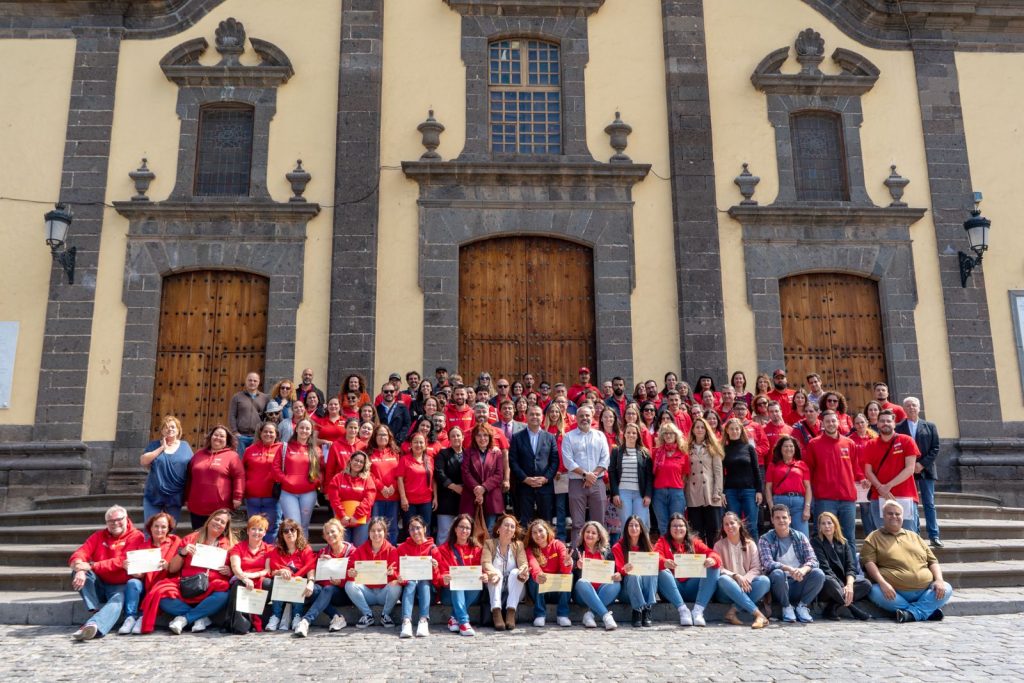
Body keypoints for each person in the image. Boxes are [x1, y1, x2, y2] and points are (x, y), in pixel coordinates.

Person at [862, 499, 952, 622]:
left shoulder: (914, 536)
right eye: (890, 513)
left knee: (947, 588)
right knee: (874, 591)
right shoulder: (873, 537)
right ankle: (926, 611)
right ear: (883, 516)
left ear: (902, 517)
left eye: (897, 514)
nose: (894, 516)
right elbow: (869, 563)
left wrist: (939, 580)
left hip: (925, 590)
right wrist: (882, 583)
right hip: (894, 592)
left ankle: (910, 613)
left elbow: (933, 561)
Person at [148, 509, 235, 635]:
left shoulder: (229, 546)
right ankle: (200, 617)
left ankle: (184, 619)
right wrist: (183, 553)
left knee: (223, 595)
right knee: (161, 596)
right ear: (209, 520)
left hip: (211, 588)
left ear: (225, 528)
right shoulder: (191, 538)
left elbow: (235, 571)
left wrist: (230, 571)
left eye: (222, 522)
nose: (218, 523)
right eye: (216, 519)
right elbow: (172, 568)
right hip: (187, 585)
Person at [68, 505, 145, 640]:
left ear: (127, 519)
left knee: (119, 599)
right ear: (106, 523)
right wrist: (79, 568)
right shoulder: (98, 536)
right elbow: (80, 553)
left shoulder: (137, 536)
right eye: (111, 521)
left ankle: (93, 625)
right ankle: (95, 609)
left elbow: (123, 560)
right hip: (101, 584)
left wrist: (93, 565)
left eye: (119, 519)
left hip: (122, 586)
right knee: (78, 572)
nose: (115, 523)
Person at [804, 410, 862, 554]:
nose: (831, 424)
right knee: (823, 536)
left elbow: (856, 467)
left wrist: (862, 478)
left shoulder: (849, 443)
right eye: (828, 421)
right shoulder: (814, 444)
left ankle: (851, 571)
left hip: (847, 498)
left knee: (849, 537)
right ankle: (827, 570)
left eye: (833, 421)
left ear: (838, 422)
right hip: (824, 499)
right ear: (822, 424)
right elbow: (808, 471)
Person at [758, 504, 825, 623]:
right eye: (777, 518)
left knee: (818, 573)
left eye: (784, 517)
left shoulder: (800, 536)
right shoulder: (765, 539)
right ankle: (786, 607)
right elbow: (767, 563)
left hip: (798, 581)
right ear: (772, 520)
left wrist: (802, 570)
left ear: (789, 519)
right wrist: (788, 569)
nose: (781, 520)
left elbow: (813, 560)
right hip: (779, 585)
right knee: (778, 573)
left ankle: (802, 606)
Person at [655, 513, 721, 627]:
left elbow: (713, 553)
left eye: (681, 525)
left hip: (692, 587)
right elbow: (655, 556)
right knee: (661, 571)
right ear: (669, 528)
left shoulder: (694, 542)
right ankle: (683, 610)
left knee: (714, 567)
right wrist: (664, 562)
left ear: (686, 527)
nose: (678, 529)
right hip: (672, 588)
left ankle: (698, 611)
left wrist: (712, 559)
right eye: (674, 526)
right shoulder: (662, 541)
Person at [120, 512, 181, 635]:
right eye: (156, 526)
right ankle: (130, 618)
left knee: (157, 589)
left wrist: (168, 567)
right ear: (150, 528)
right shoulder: (143, 546)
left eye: (163, 527)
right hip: (146, 585)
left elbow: (180, 567)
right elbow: (141, 574)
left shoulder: (175, 543)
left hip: (166, 585)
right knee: (133, 582)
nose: (159, 530)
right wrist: (132, 570)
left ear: (169, 529)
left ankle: (143, 617)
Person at [863, 410, 921, 532]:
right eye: (882, 421)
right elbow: (868, 471)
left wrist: (888, 486)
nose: (886, 423)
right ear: (877, 424)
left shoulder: (907, 440)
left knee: (908, 537)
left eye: (889, 421)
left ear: (894, 423)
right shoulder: (870, 444)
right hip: (878, 497)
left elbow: (910, 468)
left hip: (905, 496)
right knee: (884, 539)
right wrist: (880, 488)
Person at [561, 404, 610, 546]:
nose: (584, 418)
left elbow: (605, 458)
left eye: (587, 415)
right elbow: (567, 461)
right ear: (576, 418)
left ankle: (600, 552)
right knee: (577, 523)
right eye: (581, 416)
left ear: (592, 416)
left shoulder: (600, 435)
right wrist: (585, 475)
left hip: (597, 482)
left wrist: (592, 475)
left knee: (598, 522)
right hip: (576, 482)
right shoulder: (569, 437)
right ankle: (577, 553)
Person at [897, 397, 943, 547]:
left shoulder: (930, 426)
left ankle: (934, 535)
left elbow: (935, 448)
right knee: (911, 504)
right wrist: (910, 465)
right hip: (907, 471)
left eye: (914, 405)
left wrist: (922, 464)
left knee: (929, 503)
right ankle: (915, 535)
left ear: (919, 407)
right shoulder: (899, 427)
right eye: (908, 406)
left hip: (926, 470)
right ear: (904, 409)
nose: (911, 408)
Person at [713, 511, 769, 628]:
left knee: (765, 581)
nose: (729, 526)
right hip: (726, 591)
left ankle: (733, 611)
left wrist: (746, 579)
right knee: (723, 579)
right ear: (723, 527)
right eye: (726, 524)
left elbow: (756, 568)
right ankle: (759, 615)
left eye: (732, 523)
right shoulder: (718, 545)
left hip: (746, 588)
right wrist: (736, 576)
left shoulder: (750, 544)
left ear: (739, 524)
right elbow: (719, 568)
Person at [300, 518, 356, 634]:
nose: (330, 535)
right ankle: (336, 616)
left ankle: (305, 620)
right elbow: (319, 579)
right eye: (327, 533)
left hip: (344, 592)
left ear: (340, 532)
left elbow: (355, 575)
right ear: (324, 537)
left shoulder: (352, 551)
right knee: (313, 590)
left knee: (328, 588)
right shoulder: (322, 552)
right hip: (326, 591)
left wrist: (339, 579)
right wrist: (321, 565)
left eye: (333, 531)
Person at [812, 511, 871, 621]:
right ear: (819, 527)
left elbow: (850, 567)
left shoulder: (843, 542)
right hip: (828, 585)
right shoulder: (816, 542)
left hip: (843, 583)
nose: (827, 526)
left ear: (835, 525)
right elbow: (825, 569)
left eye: (829, 523)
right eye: (823, 524)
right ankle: (853, 609)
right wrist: (843, 587)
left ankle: (832, 606)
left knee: (866, 584)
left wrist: (849, 585)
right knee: (829, 581)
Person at [434, 513, 486, 636]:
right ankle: (463, 622)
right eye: (461, 527)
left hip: (472, 594)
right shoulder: (443, 549)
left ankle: (454, 618)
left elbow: (481, 570)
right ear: (455, 529)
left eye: (468, 528)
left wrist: (484, 575)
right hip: (449, 593)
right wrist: (443, 579)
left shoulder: (478, 549)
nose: (464, 530)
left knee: (477, 584)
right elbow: (439, 575)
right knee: (457, 583)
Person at [345, 517, 401, 628]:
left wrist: (392, 573)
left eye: (379, 530)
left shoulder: (392, 550)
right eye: (373, 530)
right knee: (349, 585)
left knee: (396, 584)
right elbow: (349, 570)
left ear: (385, 533)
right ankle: (368, 615)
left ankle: (385, 615)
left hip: (384, 593)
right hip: (367, 593)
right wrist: (351, 573)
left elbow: (399, 574)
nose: (376, 533)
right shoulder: (359, 550)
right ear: (369, 533)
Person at [185, 425, 244, 530]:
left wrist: (238, 496)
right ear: (210, 437)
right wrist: (186, 497)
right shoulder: (198, 454)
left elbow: (239, 477)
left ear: (227, 440)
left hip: (220, 508)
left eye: (222, 436)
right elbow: (189, 477)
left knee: (218, 541)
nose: (218, 438)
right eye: (215, 435)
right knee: (198, 538)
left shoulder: (232, 456)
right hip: (197, 506)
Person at [509, 405, 559, 527]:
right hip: (524, 486)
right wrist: (525, 479)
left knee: (546, 521)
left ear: (542, 417)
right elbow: (513, 461)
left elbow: (554, 461)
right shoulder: (517, 437)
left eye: (537, 414)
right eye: (531, 414)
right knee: (524, 521)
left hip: (545, 487)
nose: (535, 417)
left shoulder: (550, 437)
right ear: (526, 416)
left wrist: (545, 478)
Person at [265, 518, 316, 632]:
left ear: (297, 532)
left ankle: (297, 616)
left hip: (298, 586)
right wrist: (280, 571)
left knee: (298, 581)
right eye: (286, 531)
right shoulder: (276, 551)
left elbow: (310, 567)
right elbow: (272, 571)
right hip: (282, 585)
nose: (290, 533)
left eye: (292, 530)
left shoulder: (305, 549)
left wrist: (311, 582)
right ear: (281, 535)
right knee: (278, 580)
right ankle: (276, 616)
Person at [140, 415, 193, 524]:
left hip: (175, 495)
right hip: (154, 494)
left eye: (173, 427)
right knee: (150, 529)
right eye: (166, 427)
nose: (170, 429)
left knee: (170, 530)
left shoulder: (185, 446)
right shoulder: (154, 445)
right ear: (162, 431)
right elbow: (143, 461)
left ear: (178, 430)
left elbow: (192, 467)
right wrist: (162, 448)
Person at [273, 417, 321, 537]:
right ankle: (293, 554)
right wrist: (286, 480)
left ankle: (303, 554)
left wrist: (316, 482)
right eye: (302, 428)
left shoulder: (315, 450)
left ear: (311, 432)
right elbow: (275, 468)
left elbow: (322, 471)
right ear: (296, 429)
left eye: (307, 428)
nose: (304, 430)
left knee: (304, 526)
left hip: (308, 493)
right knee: (294, 525)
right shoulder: (284, 447)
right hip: (288, 493)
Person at [225, 514, 272, 634]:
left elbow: (267, 570)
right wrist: (245, 579)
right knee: (239, 585)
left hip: (260, 579)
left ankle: (261, 620)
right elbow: (236, 567)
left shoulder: (269, 549)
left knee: (268, 583)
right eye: (254, 528)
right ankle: (241, 624)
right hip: (242, 578)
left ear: (265, 533)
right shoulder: (238, 547)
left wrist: (251, 576)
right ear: (248, 530)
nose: (257, 532)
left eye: (260, 529)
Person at [482, 514, 529, 631]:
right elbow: (486, 562)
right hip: (495, 585)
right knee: (496, 571)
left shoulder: (518, 545)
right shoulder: (489, 543)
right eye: (506, 525)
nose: (509, 528)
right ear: (498, 529)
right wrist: (493, 573)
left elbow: (523, 563)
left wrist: (523, 570)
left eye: (512, 526)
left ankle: (511, 612)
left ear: (515, 531)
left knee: (515, 572)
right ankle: (496, 612)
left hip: (515, 588)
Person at [571, 520, 621, 630]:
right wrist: (576, 566)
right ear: (583, 534)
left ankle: (590, 615)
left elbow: (615, 572)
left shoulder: (607, 552)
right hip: (582, 594)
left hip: (603, 591)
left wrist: (617, 575)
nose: (590, 535)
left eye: (593, 533)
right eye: (587, 532)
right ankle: (606, 616)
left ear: (599, 537)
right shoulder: (577, 551)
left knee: (616, 584)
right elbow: (569, 569)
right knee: (581, 582)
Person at [525, 519, 573, 627]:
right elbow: (533, 565)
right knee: (535, 576)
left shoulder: (558, 545)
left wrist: (567, 564)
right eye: (534, 533)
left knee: (569, 575)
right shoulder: (530, 549)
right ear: (531, 536)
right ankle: (540, 614)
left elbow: (566, 570)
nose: (538, 535)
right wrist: (538, 575)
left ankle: (563, 614)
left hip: (556, 590)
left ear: (547, 531)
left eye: (540, 531)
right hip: (539, 590)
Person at [684, 417, 724, 545]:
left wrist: (717, 492)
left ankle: (714, 559)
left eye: (702, 427)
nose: (700, 430)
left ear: (706, 430)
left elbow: (718, 472)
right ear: (693, 430)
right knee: (697, 532)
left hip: (710, 493)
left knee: (714, 531)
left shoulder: (713, 447)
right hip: (693, 492)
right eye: (697, 427)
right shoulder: (686, 448)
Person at [396, 515, 438, 638]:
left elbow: (439, 579)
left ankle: (423, 620)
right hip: (409, 589)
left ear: (424, 529)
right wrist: (399, 577)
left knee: (424, 581)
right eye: (412, 529)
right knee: (410, 582)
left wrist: (435, 568)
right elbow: (397, 571)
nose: (415, 532)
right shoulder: (402, 548)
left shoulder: (433, 549)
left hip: (428, 591)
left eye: (418, 528)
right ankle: (406, 621)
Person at [722, 418, 763, 541]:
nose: (734, 431)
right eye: (731, 429)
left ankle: (754, 557)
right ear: (727, 431)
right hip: (731, 492)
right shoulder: (723, 449)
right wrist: (722, 491)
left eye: (737, 429)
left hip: (749, 491)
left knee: (752, 527)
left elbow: (756, 469)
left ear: (741, 430)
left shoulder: (749, 448)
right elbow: (721, 473)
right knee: (734, 527)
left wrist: (759, 490)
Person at [613, 515, 657, 627]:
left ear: (641, 529)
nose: (634, 528)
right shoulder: (618, 546)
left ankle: (647, 609)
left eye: (637, 525)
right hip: (627, 591)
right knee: (634, 575)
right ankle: (637, 610)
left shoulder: (648, 547)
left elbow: (656, 563)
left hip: (645, 587)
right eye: (630, 525)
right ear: (626, 528)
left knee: (651, 572)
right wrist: (624, 570)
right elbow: (618, 570)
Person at [242, 421, 283, 542]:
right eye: (265, 431)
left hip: (273, 497)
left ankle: (268, 556)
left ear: (276, 434)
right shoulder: (250, 450)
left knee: (271, 528)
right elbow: (242, 471)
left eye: (271, 432)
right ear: (260, 433)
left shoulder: (282, 449)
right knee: (254, 528)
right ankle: (256, 556)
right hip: (252, 497)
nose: (268, 434)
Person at [764, 435, 812, 537]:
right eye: (785, 446)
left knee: (803, 536)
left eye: (791, 446)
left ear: (795, 449)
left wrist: (807, 507)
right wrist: (771, 506)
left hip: (798, 503)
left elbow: (808, 487)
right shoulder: (773, 465)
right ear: (780, 449)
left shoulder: (802, 464)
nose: (788, 449)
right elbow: (768, 487)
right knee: (782, 536)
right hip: (780, 502)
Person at [326, 450, 376, 546]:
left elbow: (369, 500)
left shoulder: (368, 480)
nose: (358, 463)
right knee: (343, 548)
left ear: (364, 465)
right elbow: (334, 499)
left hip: (361, 520)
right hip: (342, 519)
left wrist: (356, 516)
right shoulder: (338, 478)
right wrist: (342, 515)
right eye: (356, 460)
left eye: (361, 462)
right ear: (350, 461)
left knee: (359, 548)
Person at [609, 422, 654, 530]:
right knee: (626, 524)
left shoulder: (644, 452)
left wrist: (648, 495)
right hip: (623, 493)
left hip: (640, 494)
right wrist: (615, 493)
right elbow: (612, 473)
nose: (631, 435)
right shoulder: (617, 451)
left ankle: (641, 547)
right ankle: (625, 547)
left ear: (638, 435)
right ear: (624, 434)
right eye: (628, 432)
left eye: (634, 433)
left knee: (640, 524)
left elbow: (649, 476)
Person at [461, 425, 504, 531]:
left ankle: (487, 548)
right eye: (478, 435)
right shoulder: (468, 452)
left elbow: (499, 474)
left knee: (489, 530)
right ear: (474, 437)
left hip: (491, 497)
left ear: (490, 437)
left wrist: (484, 487)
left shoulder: (496, 452)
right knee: (471, 530)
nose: (482, 438)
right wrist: (477, 488)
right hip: (472, 496)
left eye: (485, 435)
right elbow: (465, 472)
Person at [651, 421, 690, 537]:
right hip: (658, 493)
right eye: (665, 433)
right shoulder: (656, 452)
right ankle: (665, 552)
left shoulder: (683, 453)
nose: (668, 436)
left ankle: (677, 552)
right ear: (662, 436)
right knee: (663, 525)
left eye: (671, 433)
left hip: (676, 492)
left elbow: (684, 475)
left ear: (676, 435)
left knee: (677, 525)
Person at [368, 425, 402, 544]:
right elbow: (369, 474)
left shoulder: (395, 453)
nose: (382, 437)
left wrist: (394, 486)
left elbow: (400, 472)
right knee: (376, 527)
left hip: (393, 496)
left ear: (389, 437)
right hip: (377, 497)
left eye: (385, 435)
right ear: (375, 437)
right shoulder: (370, 453)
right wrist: (381, 487)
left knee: (392, 527)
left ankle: (390, 552)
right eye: (379, 434)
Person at [396, 432, 436, 537]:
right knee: (410, 529)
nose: (418, 445)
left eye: (421, 442)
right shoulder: (404, 459)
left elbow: (434, 480)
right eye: (416, 442)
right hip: (409, 502)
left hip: (426, 501)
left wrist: (435, 497)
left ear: (425, 445)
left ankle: (424, 552)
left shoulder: (430, 459)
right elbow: (400, 479)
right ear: (411, 445)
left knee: (425, 529)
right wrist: (403, 498)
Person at [434, 426, 465, 545]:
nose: (456, 438)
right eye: (453, 436)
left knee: (462, 534)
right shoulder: (443, 454)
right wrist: (454, 487)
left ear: (463, 437)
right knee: (444, 533)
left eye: (458, 435)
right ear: (449, 439)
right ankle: (441, 561)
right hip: (446, 500)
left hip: (464, 500)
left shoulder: (468, 453)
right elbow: (439, 473)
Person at [229, 372, 268, 455]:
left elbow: (267, 417)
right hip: (241, 436)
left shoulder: (265, 398)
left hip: (257, 436)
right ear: (246, 381)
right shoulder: (237, 397)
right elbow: (232, 415)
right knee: (241, 460)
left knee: (254, 460)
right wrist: (235, 432)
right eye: (250, 380)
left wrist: (262, 433)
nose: (252, 382)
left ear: (258, 382)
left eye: (255, 381)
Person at [324, 417, 366, 487]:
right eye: (350, 427)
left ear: (358, 429)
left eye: (355, 428)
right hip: (339, 484)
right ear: (345, 428)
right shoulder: (336, 445)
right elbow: (330, 469)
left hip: (357, 484)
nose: (353, 430)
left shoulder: (363, 446)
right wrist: (328, 488)